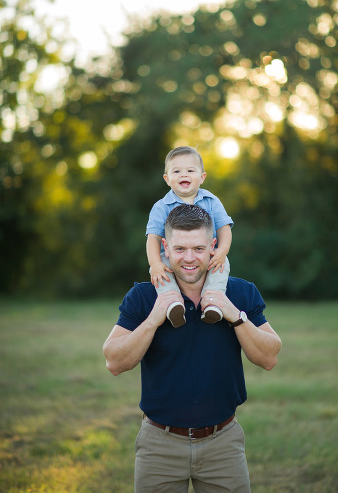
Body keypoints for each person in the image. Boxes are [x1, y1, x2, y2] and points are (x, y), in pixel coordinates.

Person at [103, 204, 282, 492]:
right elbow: (113, 361)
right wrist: (153, 320)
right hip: (158, 445)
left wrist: (234, 315)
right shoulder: (143, 295)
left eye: (199, 249)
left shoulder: (240, 292)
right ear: (165, 247)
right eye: (180, 249)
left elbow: (270, 356)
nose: (189, 259)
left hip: (223, 443)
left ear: (214, 246)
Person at [147, 146, 233, 327]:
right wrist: (155, 263)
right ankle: (172, 303)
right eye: (176, 171)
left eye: (190, 170)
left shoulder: (212, 201)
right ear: (167, 179)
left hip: (206, 254)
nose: (183, 174)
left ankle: (213, 301)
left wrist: (222, 251)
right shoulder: (161, 206)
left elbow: (224, 229)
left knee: (222, 265)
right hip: (172, 256)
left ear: (202, 177)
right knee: (162, 273)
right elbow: (153, 238)